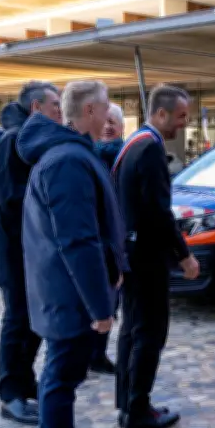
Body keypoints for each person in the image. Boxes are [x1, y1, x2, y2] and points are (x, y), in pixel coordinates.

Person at [17, 80, 125, 428]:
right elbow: (77, 241)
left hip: (65, 291)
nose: (111, 112)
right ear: (90, 110)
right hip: (70, 295)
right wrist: (100, 307)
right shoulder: (67, 160)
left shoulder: (74, 154)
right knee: (60, 380)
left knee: (61, 377)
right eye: (107, 104)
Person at [113, 84, 199, 428]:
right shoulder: (148, 149)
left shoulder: (131, 145)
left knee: (131, 330)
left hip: (130, 252)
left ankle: (127, 401)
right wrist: (184, 255)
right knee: (149, 332)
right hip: (146, 256)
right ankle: (137, 409)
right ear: (160, 113)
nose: (183, 124)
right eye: (180, 117)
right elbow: (159, 212)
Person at [0, 81, 62, 425]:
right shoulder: (15, 142)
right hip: (14, 249)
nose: (61, 110)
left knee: (30, 321)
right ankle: (11, 394)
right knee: (17, 320)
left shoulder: (29, 139)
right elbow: (11, 201)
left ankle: (25, 385)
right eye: (55, 105)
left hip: (27, 248)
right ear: (37, 109)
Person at [86, 102, 126, 376]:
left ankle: (98, 355)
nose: (109, 126)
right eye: (106, 121)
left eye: (115, 122)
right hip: (93, 238)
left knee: (111, 301)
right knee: (90, 300)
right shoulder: (87, 156)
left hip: (117, 240)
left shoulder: (128, 155)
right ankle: (82, 355)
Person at [94, 103, 125, 171]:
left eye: (111, 122)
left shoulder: (128, 154)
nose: (106, 127)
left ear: (122, 127)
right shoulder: (89, 154)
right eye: (102, 122)